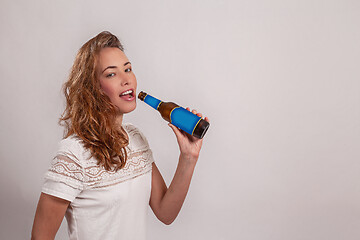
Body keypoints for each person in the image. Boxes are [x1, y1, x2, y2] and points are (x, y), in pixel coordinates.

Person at [31, 31, 209, 240]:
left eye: (128, 69)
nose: (127, 79)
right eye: (111, 74)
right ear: (93, 89)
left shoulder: (135, 138)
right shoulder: (73, 153)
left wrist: (188, 157)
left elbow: (165, 212)